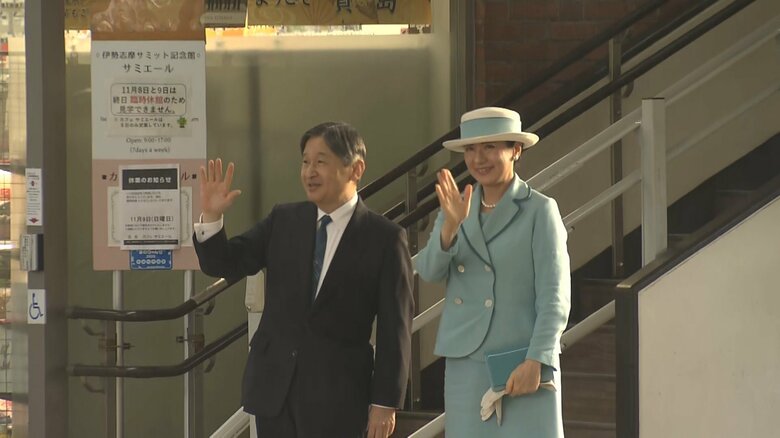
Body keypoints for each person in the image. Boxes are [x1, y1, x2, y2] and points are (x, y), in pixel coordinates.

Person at [193, 122, 414, 438]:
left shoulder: (385, 238)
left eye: (321, 161)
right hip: (275, 390)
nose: (310, 171)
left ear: (356, 169)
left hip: (338, 396)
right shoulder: (284, 220)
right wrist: (212, 218)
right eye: (306, 161)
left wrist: (385, 402)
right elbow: (225, 263)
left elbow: (396, 326)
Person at [416, 107, 571, 437]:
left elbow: (554, 296)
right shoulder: (456, 207)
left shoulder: (540, 210)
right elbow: (428, 270)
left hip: (522, 364)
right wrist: (450, 227)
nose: (478, 158)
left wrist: (537, 359)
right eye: (470, 149)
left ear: (515, 150)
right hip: (465, 364)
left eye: (490, 147)